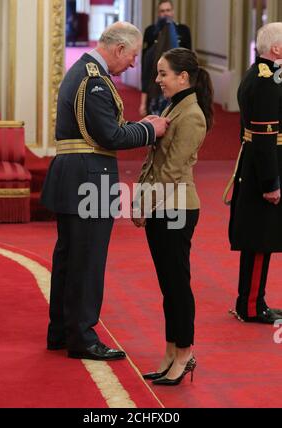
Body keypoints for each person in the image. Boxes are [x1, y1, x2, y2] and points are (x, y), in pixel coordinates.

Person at [41, 22, 169, 361]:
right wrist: (149, 130)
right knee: (87, 260)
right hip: (89, 177)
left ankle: (62, 331)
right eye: (132, 56)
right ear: (118, 49)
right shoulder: (93, 80)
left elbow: (102, 128)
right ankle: (82, 336)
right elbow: (109, 137)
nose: (132, 64)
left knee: (70, 258)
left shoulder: (84, 71)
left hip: (76, 173)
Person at [133, 48, 214, 385]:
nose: (157, 79)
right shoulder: (174, 106)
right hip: (163, 205)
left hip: (177, 207)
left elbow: (171, 170)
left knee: (178, 286)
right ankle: (170, 352)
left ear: (183, 77)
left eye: (163, 73)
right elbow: (153, 164)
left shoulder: (191, 114)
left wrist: (142, 204)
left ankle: (184, 354)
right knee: (169, 286)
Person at [227, 22, 282, 324]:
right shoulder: (265, 82)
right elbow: (263, 138)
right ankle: (250, 306)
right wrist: (271, 182)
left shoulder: (262, 74)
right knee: (261, 239)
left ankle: (254, 301)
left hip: (255, 165)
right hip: (263, 169)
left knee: (261, 238)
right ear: (276, 49)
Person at [139, 0, 192, 117]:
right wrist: (143, 101)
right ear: (158, 13)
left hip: (178, 85)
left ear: (173, 12)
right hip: (155, 86)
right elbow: (145, 67)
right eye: (162, 11)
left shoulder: (183, 30)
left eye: (168, 10)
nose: (166, 13)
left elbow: (189, 63)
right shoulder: (150, 31)